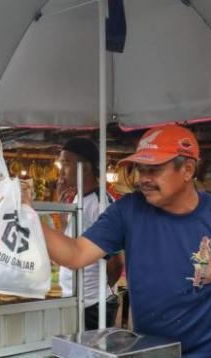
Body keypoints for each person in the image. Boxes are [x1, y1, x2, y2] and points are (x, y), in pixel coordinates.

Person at [42, 125, 211, 358]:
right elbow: (76, 254)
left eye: (154, 170)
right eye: (141, 170)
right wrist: (26, 214)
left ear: (187, 170)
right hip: (149, 352)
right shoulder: (127, 211)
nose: (144, 179)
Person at [57, 138, 124, 330]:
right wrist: (63, 216)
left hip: (93, 305)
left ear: (85, 168)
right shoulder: (78, 197)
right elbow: (71, 242)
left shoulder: (100, 203)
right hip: (75, 299)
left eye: (66, 163)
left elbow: (116, 263)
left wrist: (98, 293)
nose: (61, 170)